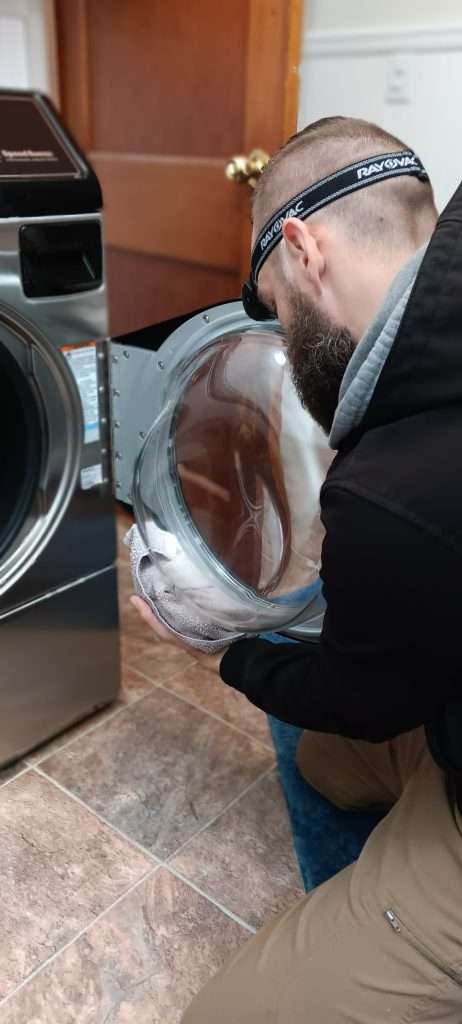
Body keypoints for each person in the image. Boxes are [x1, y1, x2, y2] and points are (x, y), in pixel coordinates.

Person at [132, 117, 462, 1022]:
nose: (282, 329)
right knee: (327, 763)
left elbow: (363, 695)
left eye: (275, 302)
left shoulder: (398, 490)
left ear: (304, 248)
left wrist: (224, 654)